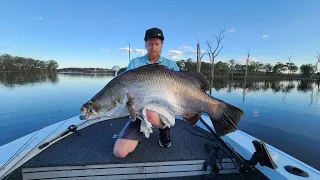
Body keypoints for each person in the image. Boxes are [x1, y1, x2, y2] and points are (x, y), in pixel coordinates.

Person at [113, 27, 180, 158]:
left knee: (151, 114)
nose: (154, 47)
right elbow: (126, 87)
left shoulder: (171, 65)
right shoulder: (135, 63)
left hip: (163, 111)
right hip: (139, 112)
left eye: (157, 44)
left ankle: (164, 129)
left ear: (162, 45)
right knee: (119, 152)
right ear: (146, 44)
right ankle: (141, 128)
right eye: (151, 43)